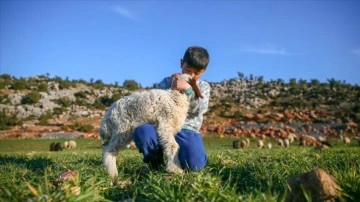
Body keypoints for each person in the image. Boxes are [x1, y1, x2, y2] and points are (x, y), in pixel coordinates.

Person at [133, 46, 210, 172]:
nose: (191, 75)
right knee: (143, 131)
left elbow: (198, 109)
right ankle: (156, 162)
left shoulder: (203, 86)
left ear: (204, 71)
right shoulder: (167, 82)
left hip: (187, 130)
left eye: (196, 73)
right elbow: (154, 103)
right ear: (181, 63)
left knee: (195, 165)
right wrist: (171, 88)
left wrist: (189, 89)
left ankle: (183, 156)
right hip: (162, 128)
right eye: (188, 69)